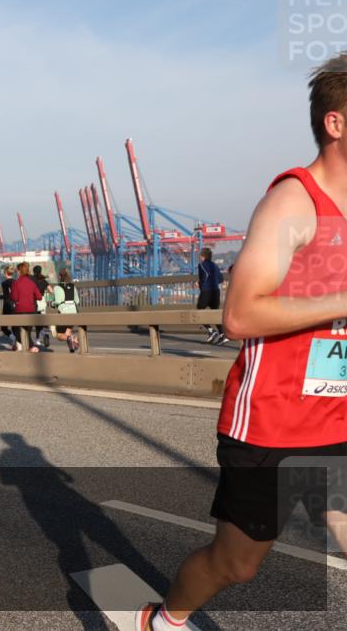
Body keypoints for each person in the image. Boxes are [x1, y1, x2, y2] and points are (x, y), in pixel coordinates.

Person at [137, 52, 347, 631]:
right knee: (236, 565)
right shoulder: (294, 203)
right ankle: (165, 620)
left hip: (340, 419)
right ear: (337, 123)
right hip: (273, 424)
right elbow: (239, 315)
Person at [197, 248, 229, 345]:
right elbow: (221, 279)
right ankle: (223, 334)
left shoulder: (201, 265)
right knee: (214, 314)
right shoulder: (215, 265)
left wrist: (200, 283)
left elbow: (205, 275)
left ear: (202, 256)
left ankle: (211, 331)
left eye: (200, 256)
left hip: (207, 291)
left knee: (198, 311)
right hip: (216, 291)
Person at [12, 262, 42, 352]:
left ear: (19, 271)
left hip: (20, 310)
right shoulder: (32, 283)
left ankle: (31, 346)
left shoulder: (16, 283)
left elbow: (14, 297)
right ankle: (21, 346)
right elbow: (39, 297)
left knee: (16, 329)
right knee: (28, 331)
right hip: (31, 310)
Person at [49, 268, 80, 352]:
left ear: (59, 276)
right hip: (74, 313)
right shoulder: (73, 286)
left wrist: (52, 303)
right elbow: (77, 301)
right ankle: (72, 347)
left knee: (59, 335)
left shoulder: (57, 287)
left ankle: (73, 339)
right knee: (67, 333)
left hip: (64, 313)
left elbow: (58, 301)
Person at [31, 265, 51, 348]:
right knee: (41, 321)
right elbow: (51, 290)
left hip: (34, 300)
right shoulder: (44, 280)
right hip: (42, 301)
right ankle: (42, 335)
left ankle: (38, 338)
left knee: (36, 321)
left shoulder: (32, 279)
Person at [0, 264, 16, 340]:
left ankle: (13, 338)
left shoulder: (4, 283)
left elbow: (7, 295)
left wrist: (2, 296)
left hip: (7, 305)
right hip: (16, 305)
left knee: (3, 327)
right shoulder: (16, 282)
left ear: (5, 273)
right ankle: (18, 341)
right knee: (15, 325)